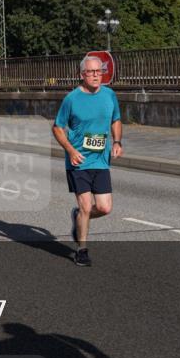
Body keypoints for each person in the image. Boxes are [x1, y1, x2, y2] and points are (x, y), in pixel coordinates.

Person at [52, 56, 123, 267]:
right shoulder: (72, 99)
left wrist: (117, 141)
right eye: (91, 72)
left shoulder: (109, 95)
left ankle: (78, 218)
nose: (95, 76)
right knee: (85, 206)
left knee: (104, 208)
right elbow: (57, 127)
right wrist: (71, 150)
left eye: (99, 72)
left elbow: (116, 119)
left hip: (101, 160)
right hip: (79, 161)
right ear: (82, 75)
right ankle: (81, 250)